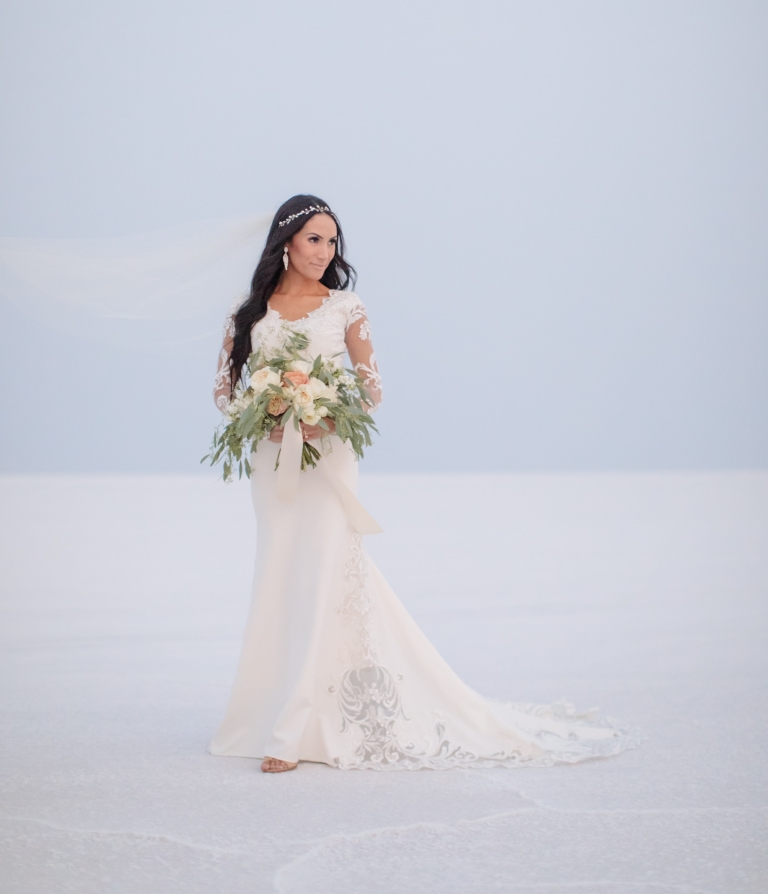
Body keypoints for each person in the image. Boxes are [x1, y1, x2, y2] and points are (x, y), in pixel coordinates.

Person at [209, 194, 638, 773]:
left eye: (332, 241)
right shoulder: (247, 311)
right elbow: (223, 391)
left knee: (326, 569)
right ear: (286, 242)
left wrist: (323, 417)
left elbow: (371, 389)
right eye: (315, 238)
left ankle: (295, 731)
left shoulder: (346, 307)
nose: (325, 251)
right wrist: (271, 412)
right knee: (281, 575)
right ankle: (270, 710)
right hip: (273, 463)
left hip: (328, 458)